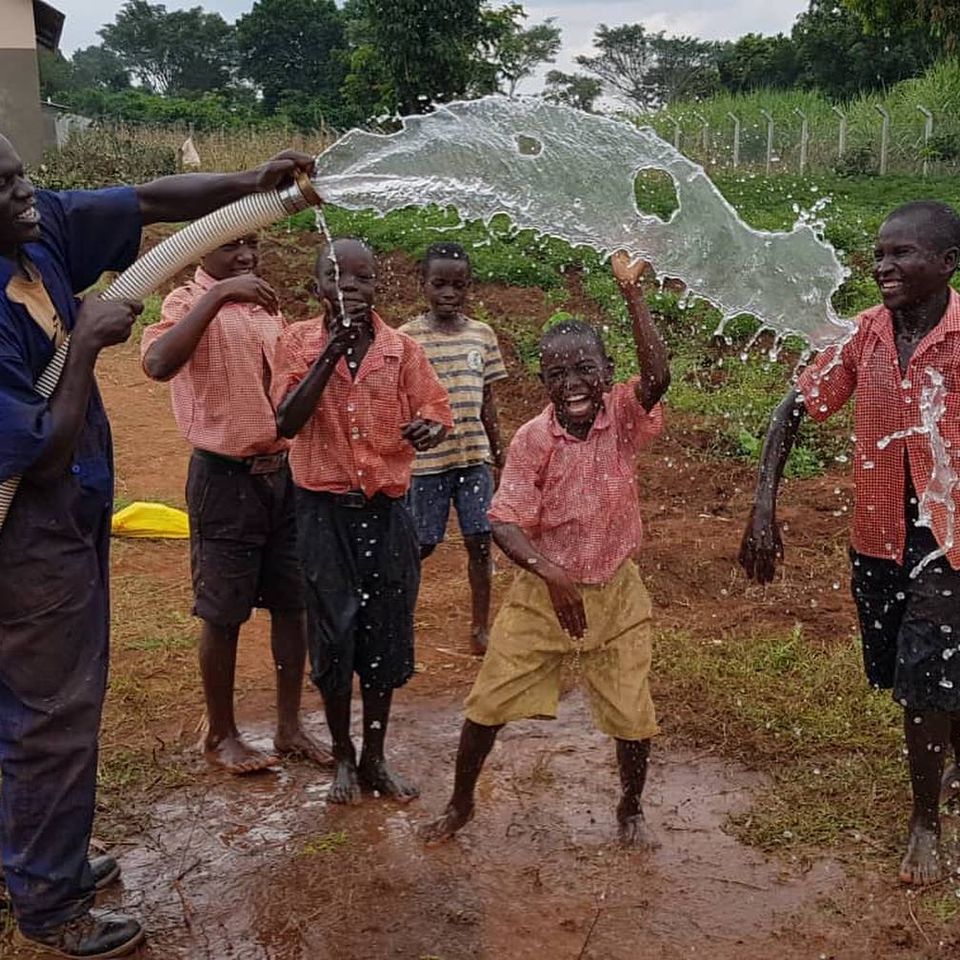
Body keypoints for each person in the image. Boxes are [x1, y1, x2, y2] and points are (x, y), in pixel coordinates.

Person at [0, 130, 315, 957]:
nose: (27, 194)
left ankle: (42, 857)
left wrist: (254, 183)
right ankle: (50, 900)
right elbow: (41, 449)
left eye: (21, 172)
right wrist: (87, 346)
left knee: (50, 702)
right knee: (50, 711)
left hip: (68, 514)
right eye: (5, 188)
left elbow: (146, 203)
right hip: (22, 534)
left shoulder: (38, 234)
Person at [739, 201, 960, 887]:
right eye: (878, 253)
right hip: (877, 535)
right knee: (904, 665)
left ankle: (924, 820)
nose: (882, 266)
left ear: (947, 263)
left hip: (949, 538)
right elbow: (792, 409)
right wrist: (763, 502)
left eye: (901, 255)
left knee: (924, 677)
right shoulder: (864, 336)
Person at [420, 253, 670, 846]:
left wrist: (633, 295)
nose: (573, 385)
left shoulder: (624, 419)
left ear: (608, 374)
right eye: (558, 376)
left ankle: (630, 807)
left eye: (585, 370)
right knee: (486, 703)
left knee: (634, 713)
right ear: (543, 383)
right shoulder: (535, 439)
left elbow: (658, 377)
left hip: (616, 590)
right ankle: (461, 804)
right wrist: (551, 573)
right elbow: (503, 523)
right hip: (541, 596)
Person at [141, 234, 331, 775]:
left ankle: (290, 726)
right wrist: (218, 295)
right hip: (223, 480)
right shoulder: (184, 302)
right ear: (202, 252)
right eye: (230, 247)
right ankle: (221, 734)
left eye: (252, 244)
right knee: (223, 612)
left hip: (283, 477)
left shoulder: (268, 309)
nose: (245, 256)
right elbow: (157, 363)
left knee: (292, 604)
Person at [272, 237, 452, 806]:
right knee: (333, 634)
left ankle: (375, 755)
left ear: (379, 286)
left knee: (385, 635)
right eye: (335, 276)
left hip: (385, 512)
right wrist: (331, 351)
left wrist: (431, 427)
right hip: (322, 513)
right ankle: (342, 755)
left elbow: (435, 408)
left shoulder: (402, 350)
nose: (350, 286)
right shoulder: (296, 342)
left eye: (363, 278)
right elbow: (288, 419)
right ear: (316, 287)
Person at [400, 242, 508, 655]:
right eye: (439, 284)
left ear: (469, 287)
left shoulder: (482, 335)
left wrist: (502, 456)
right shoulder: (407, 338)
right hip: (428, 463)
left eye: (457, 286)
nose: (448, 293)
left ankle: (481, 625)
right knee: (422, 543)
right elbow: (397, 401)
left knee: (480, 540)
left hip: (473, 458)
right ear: (422, 284)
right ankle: (400, 617)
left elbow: (488, 403)